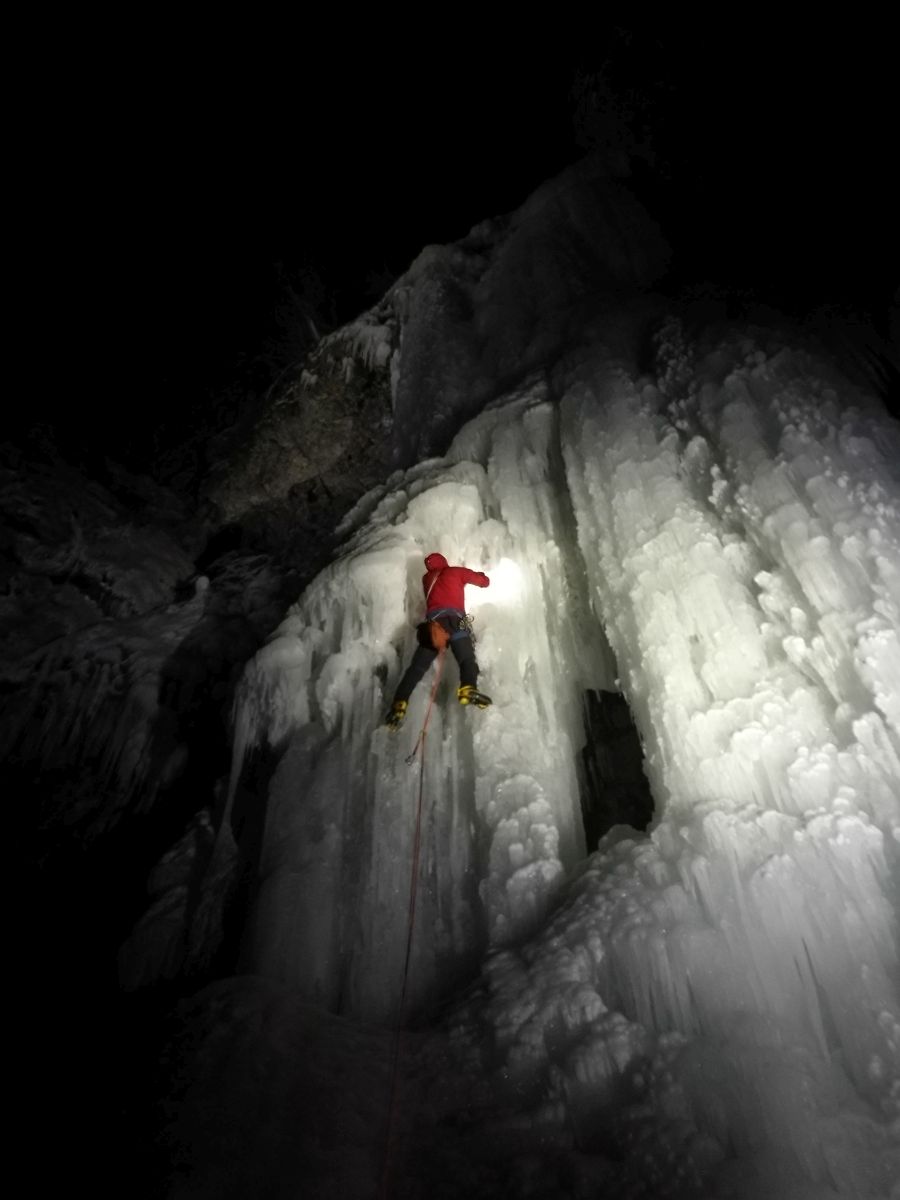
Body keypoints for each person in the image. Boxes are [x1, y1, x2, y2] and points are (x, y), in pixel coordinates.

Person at [385, 552, 492, 730]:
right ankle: (468, 687)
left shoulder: (427, 578)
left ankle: (399, 704)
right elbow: (483, 582)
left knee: (416, 668)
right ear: (444, 562)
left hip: (433, 628)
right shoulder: (454, 572)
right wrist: (482, 576)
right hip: (455, 621)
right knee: (466, 658)